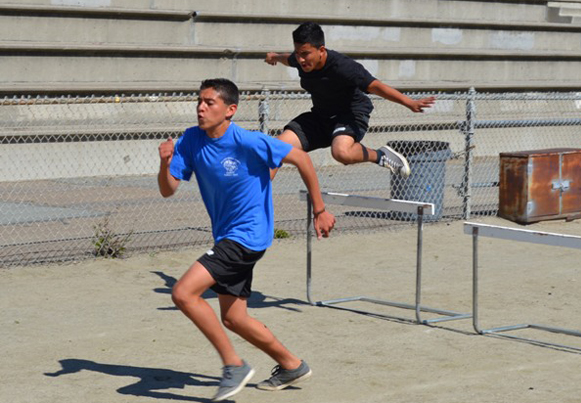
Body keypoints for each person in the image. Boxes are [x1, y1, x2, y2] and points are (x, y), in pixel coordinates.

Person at [157, 78, 335, 401]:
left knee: (183, 293)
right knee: (234, 317)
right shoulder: (190, 140)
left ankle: (233, 365)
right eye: (199, 101)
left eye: (210, 102)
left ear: (230, 110)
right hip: (229, 235)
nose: (201, 107)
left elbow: (303, 159)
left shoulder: (248, 141)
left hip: (247, 236)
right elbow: (168, 189)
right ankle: (291, 365)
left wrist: (319, 210)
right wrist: (165, 162)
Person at [265, 21, 436, 179]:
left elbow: (376, 86)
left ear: (321, 50)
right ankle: (257, 203)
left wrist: (409, 102)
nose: (301, 60)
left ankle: (380, 156)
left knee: (341, 153)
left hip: (350, 114)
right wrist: (274, 57)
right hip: (321, 116)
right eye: (298, 53)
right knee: (275, 149)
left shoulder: (344, 67)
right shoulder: (300, 60)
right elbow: (287, 59)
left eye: (305, 54)